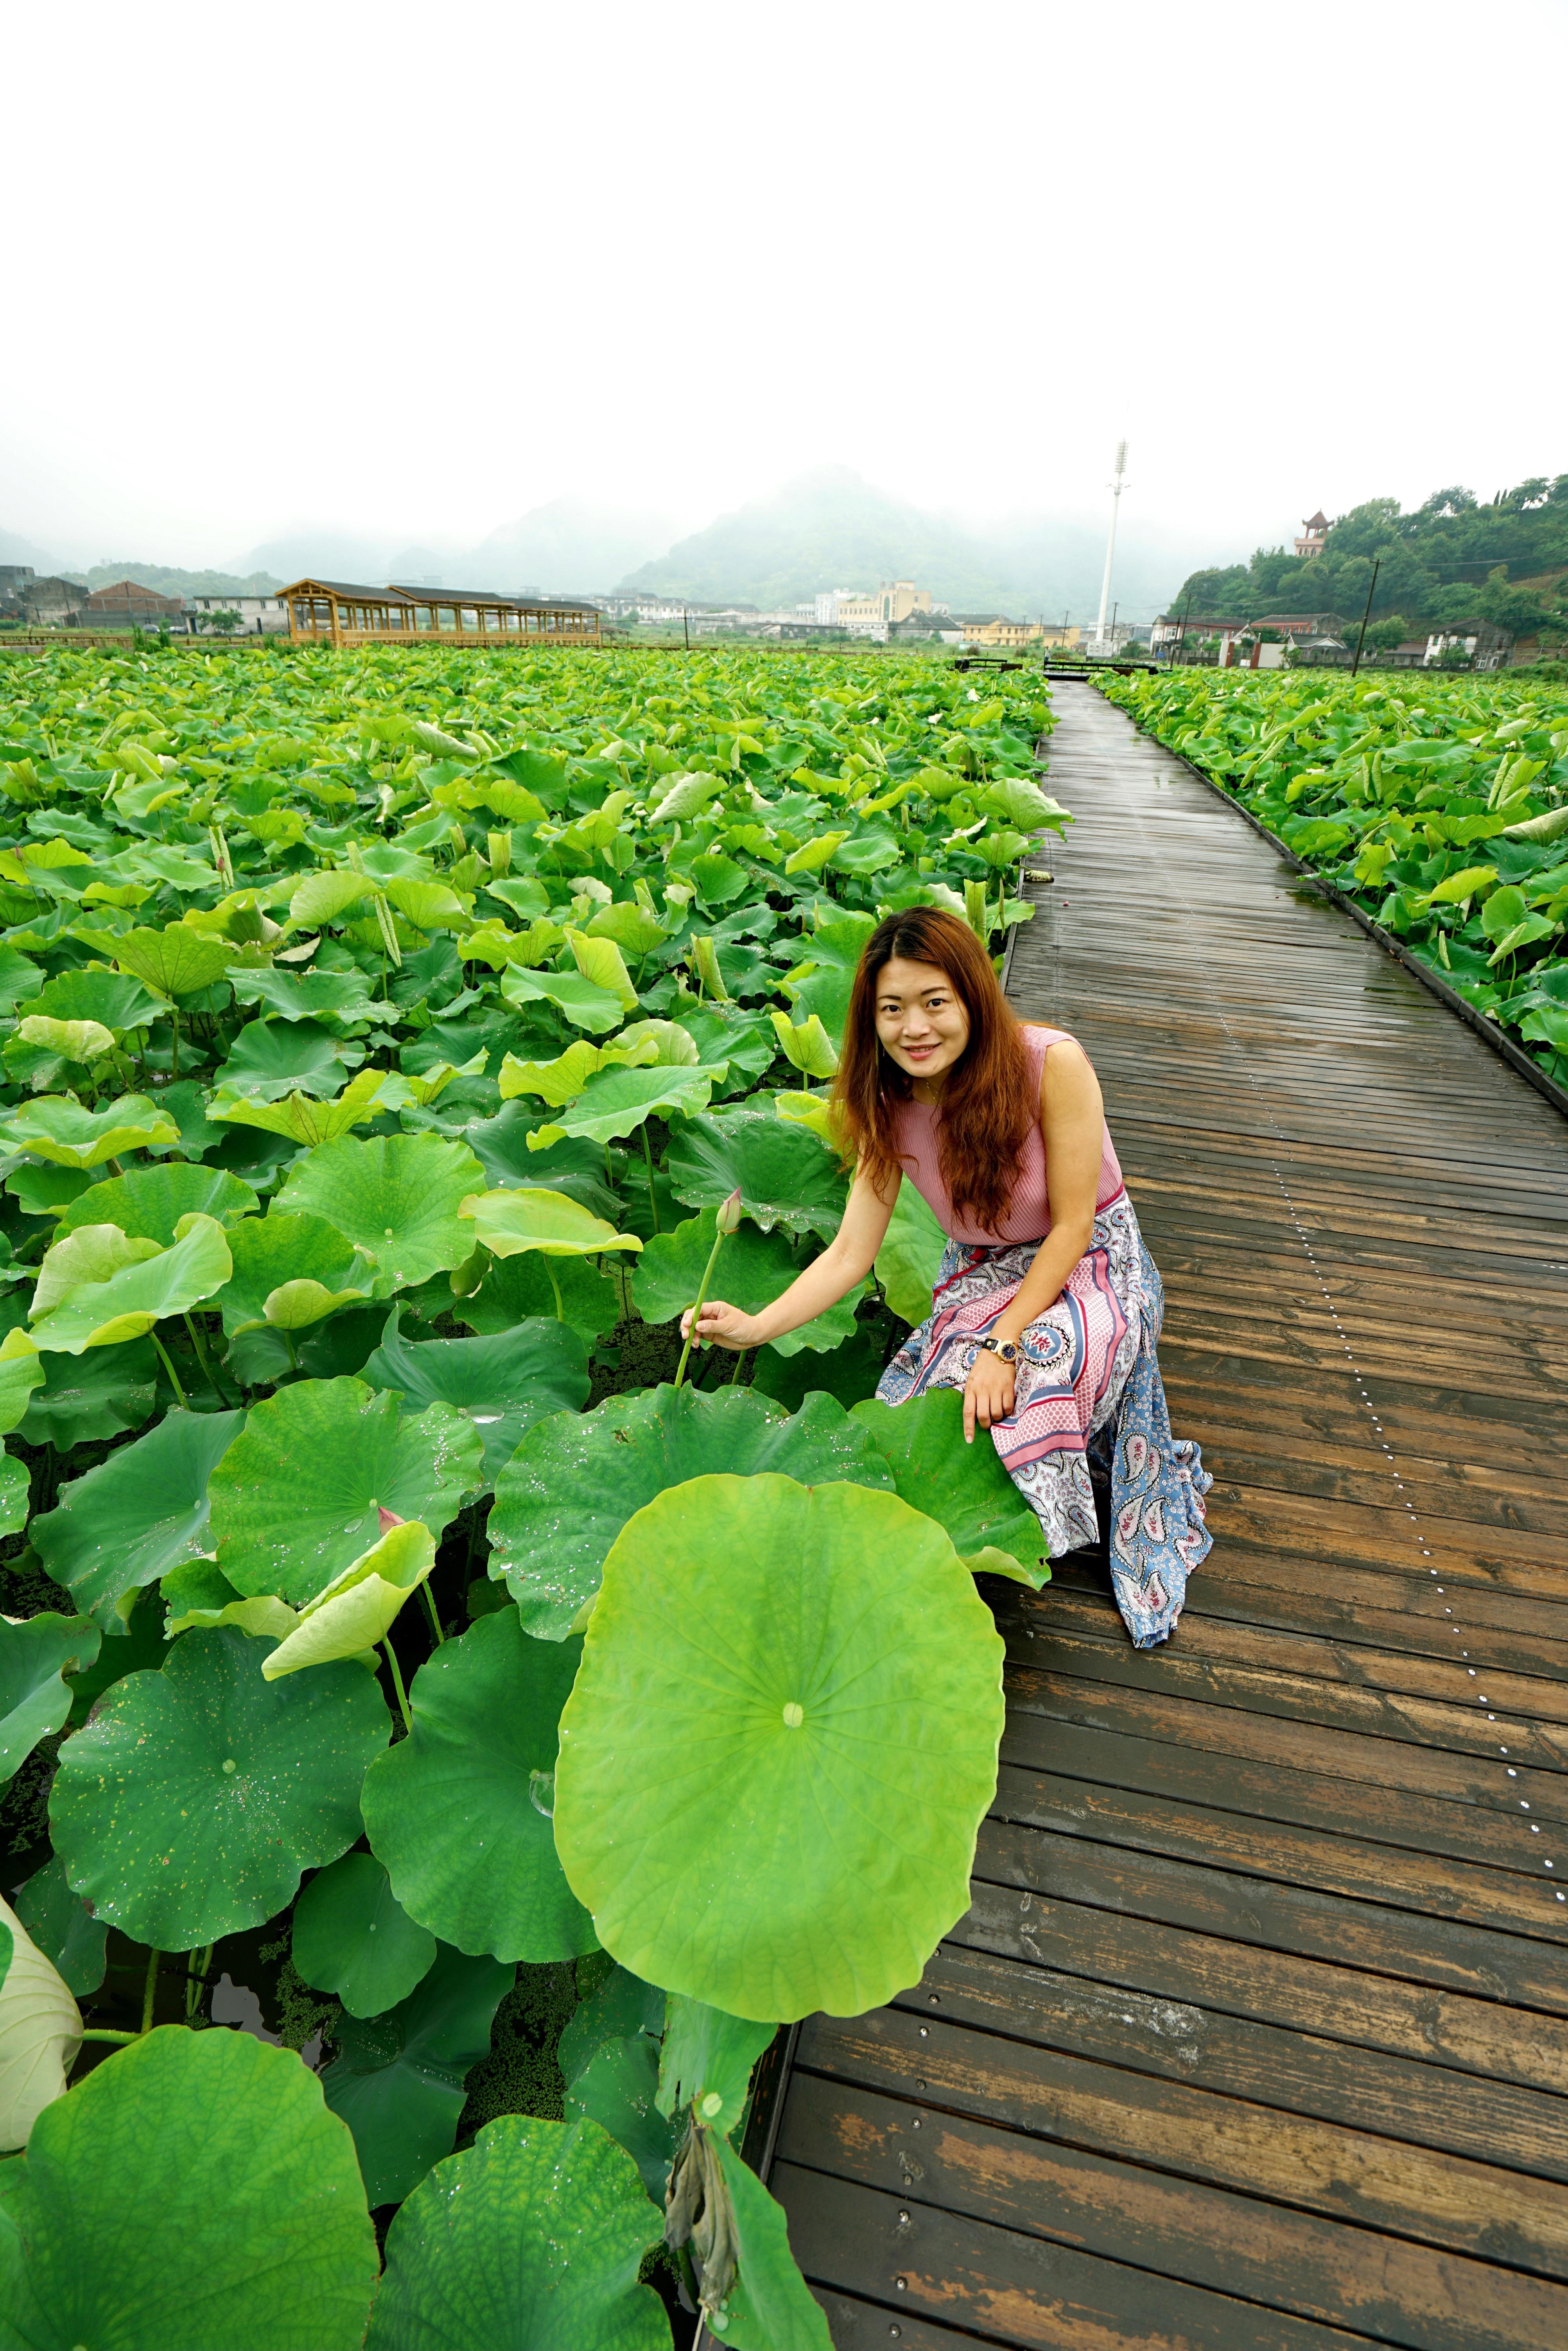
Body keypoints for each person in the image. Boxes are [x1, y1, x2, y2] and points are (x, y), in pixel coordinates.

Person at [680, 905, 1211, 1647]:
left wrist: (1002, 1344)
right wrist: (756, 1325)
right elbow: (848, 1255)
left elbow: (1072, 1227)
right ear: (871, 1019)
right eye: (892, 1010)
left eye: (935, 1003)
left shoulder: (1049, 1063)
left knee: (1035, 1371)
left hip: (1092, 1262)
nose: (915, 1029)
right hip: (983, 1268)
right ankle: (929, 1549)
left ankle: (1025, 1542)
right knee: (918, 1404)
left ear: (971, 999)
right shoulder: (886, 1105)